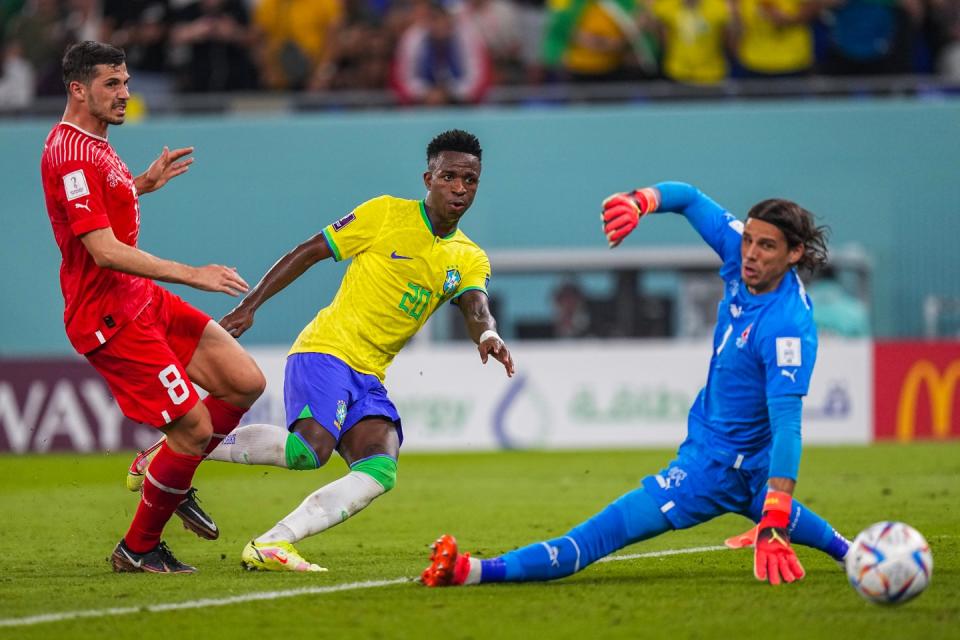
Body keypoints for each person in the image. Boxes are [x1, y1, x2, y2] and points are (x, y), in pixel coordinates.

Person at [421, 181, 851, 588]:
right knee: (764, 501)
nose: (751, 253)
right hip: (741, 464)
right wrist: (641, 201)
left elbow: (789, 426)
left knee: (595, 537)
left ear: (795, 253)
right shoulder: (743, 257)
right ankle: (859, 556)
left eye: (766, 246)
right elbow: (688, 197)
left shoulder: (786, 328)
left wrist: (775, 518)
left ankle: (470, 570)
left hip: (712, 470)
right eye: (749, 240)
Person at [137, 129, 514, 572]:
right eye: (449, 176)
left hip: (370, 375)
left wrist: (488, 334)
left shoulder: (469, 256)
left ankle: (274, 543)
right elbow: (310, 251)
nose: (459, 188)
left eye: (470, 180)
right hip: (326, 351)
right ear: (428, 177)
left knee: (379, 469)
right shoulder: (385, 214)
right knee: (309, 451)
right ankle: (174, 449)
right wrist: (249, 306)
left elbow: (475, 305)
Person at [41, 41, 265, 574]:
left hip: (142, 300)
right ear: (78, 89)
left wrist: (140, 185)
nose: (124, 94)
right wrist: (195, 274)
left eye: (126, 82)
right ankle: (137, 548)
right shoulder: (70, 152)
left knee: (244, 381)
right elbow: (102, 249)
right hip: (108, 318)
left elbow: (104, 210)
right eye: (111, 85)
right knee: (191, 428)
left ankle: (163, 469)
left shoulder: (97, 143)